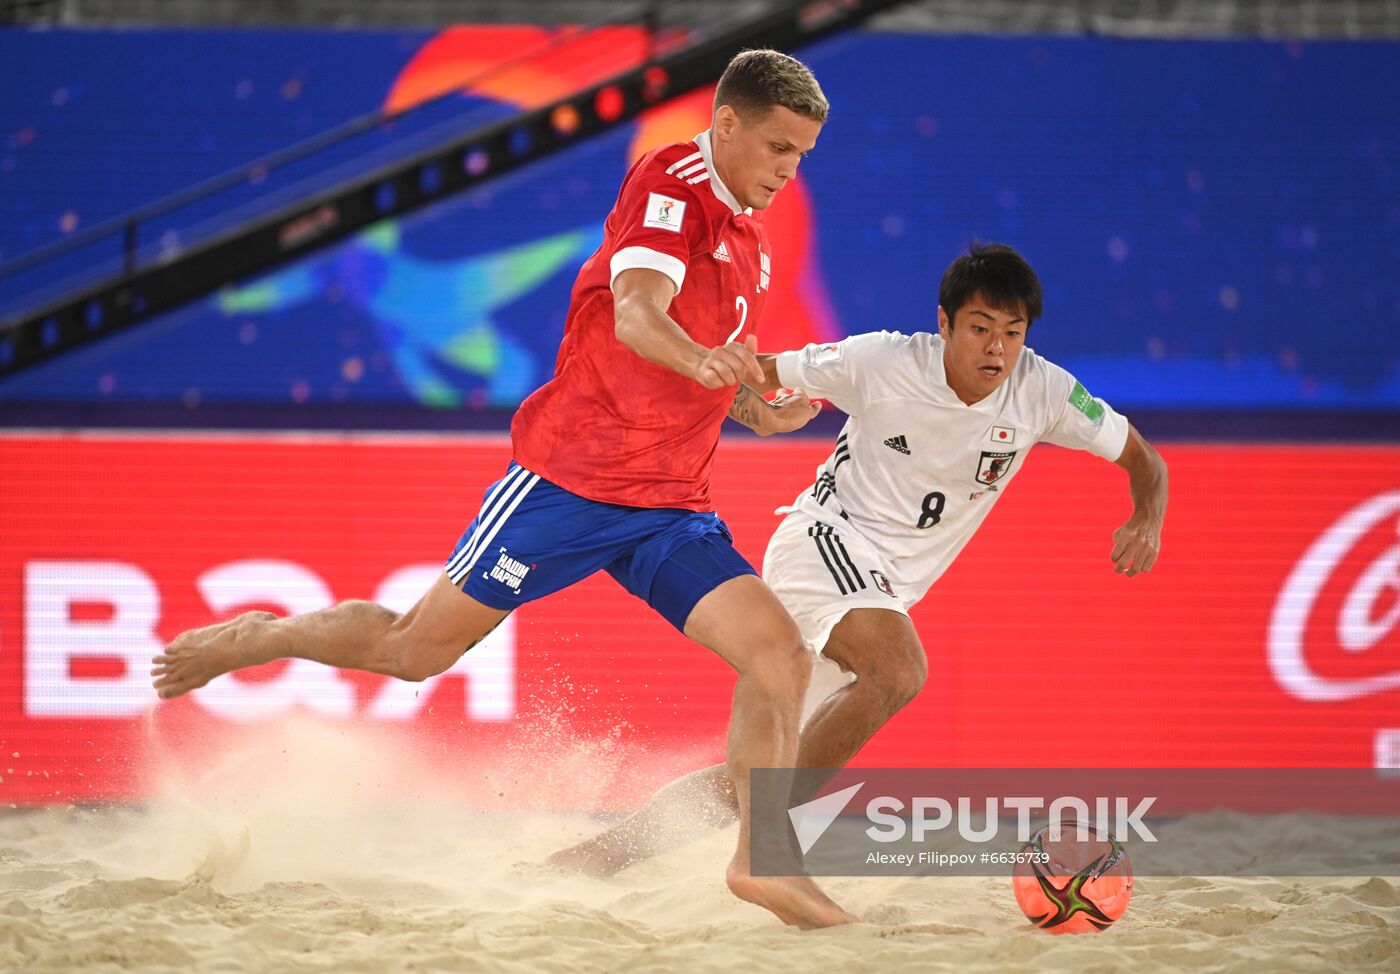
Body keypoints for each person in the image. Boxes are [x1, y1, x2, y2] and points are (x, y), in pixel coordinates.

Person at [150, 49, 857, 930]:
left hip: (672, 502)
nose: (791, 171)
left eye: (803, 156)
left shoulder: (749, 239)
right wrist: (704, 360)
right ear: (726, 125)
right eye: (780, 148)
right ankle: (261, 634)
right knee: (413, 651)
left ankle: (762, 863)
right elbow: (639, 315)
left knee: (780, 657)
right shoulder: (669, 181)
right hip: (571, 483)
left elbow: (704, 368)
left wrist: (756, 405)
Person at [549, 241, 1170, 875]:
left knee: (759, 768)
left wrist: (1146, 518)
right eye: (980, 329)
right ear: (945, 323)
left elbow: (1145, 459)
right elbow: (753, 371)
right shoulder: (881, 360)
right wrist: (758, 412)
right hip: (825, 543)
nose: (997, 349)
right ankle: (771, 841)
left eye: (1012, 333)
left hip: (882, 588)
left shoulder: (1043, 391)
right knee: (899, 671)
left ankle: (593, 860)